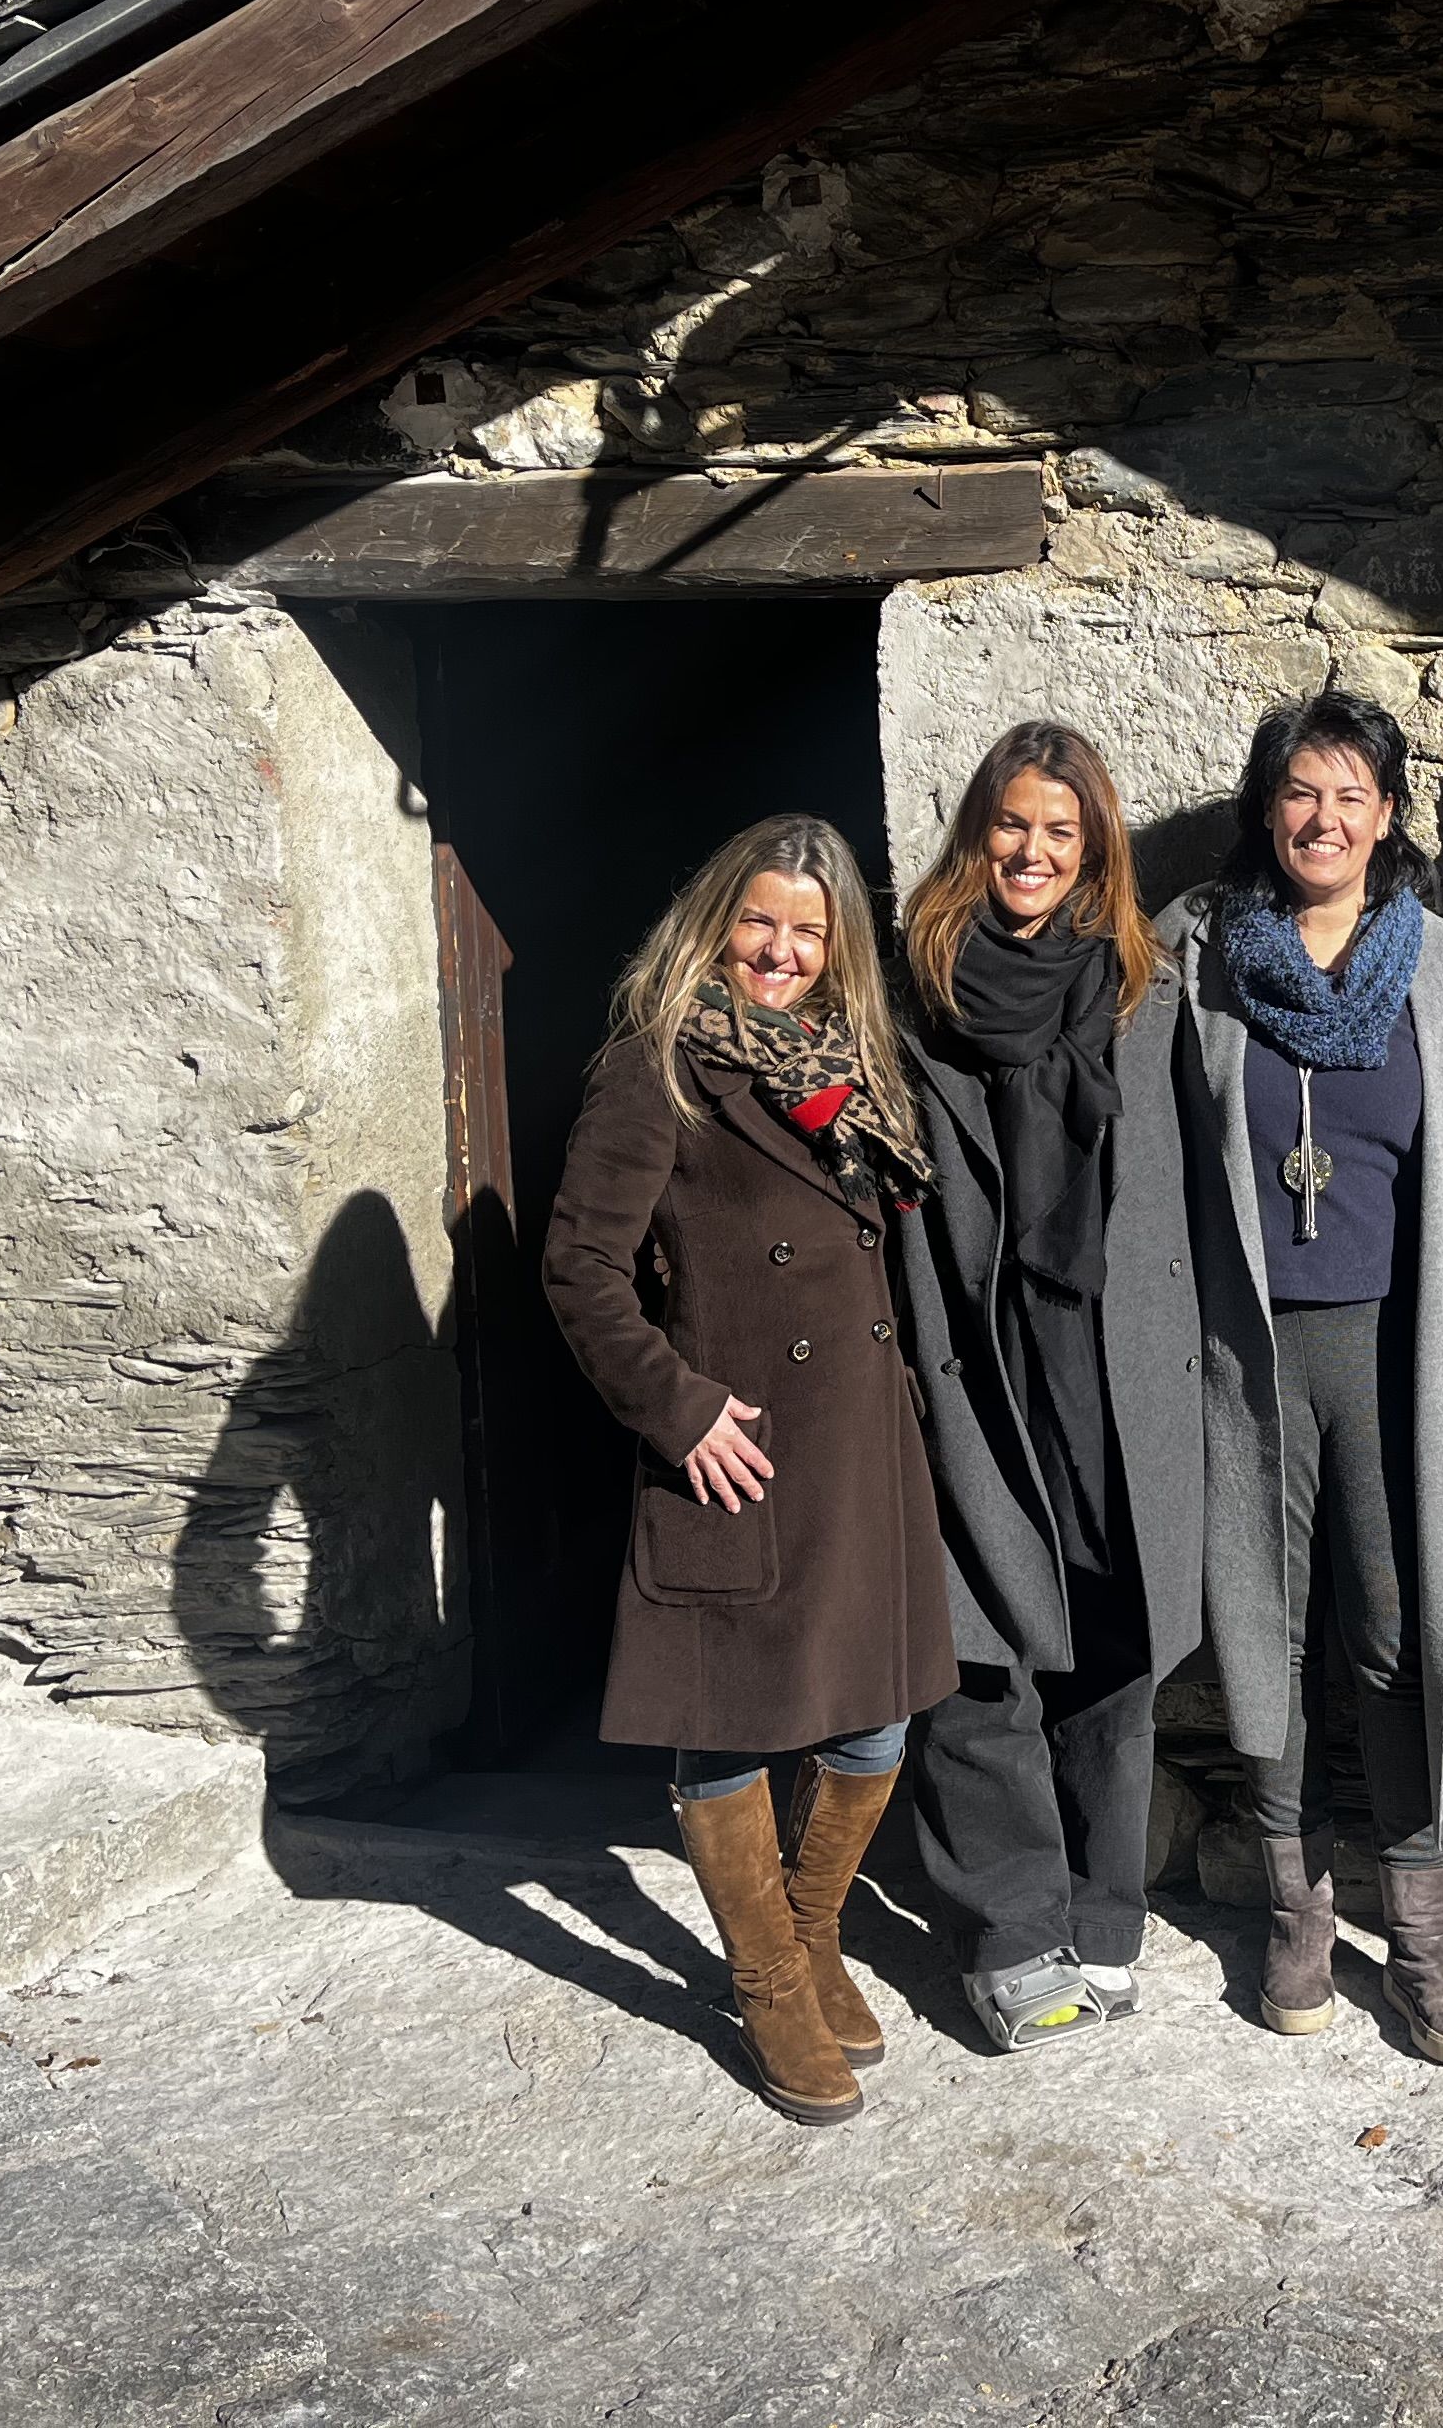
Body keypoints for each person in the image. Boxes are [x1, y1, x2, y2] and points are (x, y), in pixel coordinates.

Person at [538, 813, 953, 2129]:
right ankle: (768, 1976)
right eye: (759, 922)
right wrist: (679, 1408)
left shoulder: (847, 1076)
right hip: (737, 1451)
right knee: (724, 1726)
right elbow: (581, 1274)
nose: (780, 950)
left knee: (876, 1717)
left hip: (860, 1450)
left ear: (838, 954)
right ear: (717, 924)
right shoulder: (653, 1070)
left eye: (808, 931)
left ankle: (813, 1928)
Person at [1169, 689, 1443, 2064]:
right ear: (1265, 811)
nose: (1323, 818)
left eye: (1351, 794)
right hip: (1248, 1358)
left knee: (1408, 1638)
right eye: (1299, 793)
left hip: (1408, 1356)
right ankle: (1293, 1910)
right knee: (1265, 1630)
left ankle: (1426, 1933)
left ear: (1388, 815)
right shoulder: (1200, 958)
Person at [887, 724, 1205, 2054]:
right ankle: (1012, 1934)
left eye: (1060, 833)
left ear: (1096, 852)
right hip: (968, 1349)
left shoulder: (1144, 991)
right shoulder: (909, 997)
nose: (1031, 853)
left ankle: (1102, 1906)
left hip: (1113, 1363)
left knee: (1112, 1641)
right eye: (1011, 826)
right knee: (978, 1649)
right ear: (978, 835)